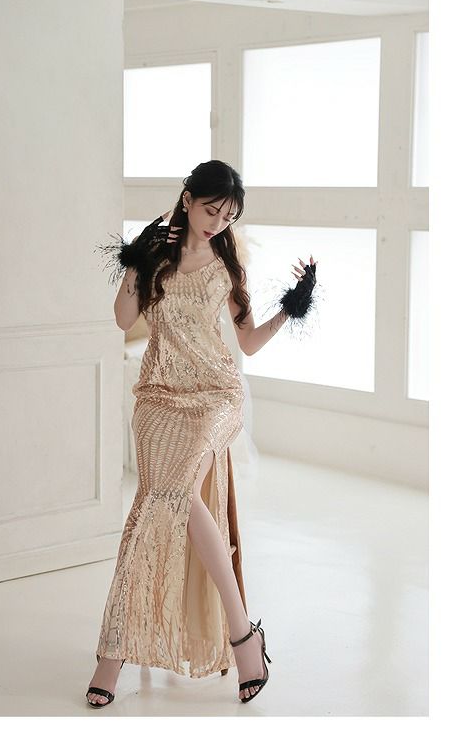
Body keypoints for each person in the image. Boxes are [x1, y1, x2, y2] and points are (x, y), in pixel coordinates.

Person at [87, 160, 318, 707]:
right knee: (161, 503)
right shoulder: (157, 253)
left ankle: (117, 655)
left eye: (229, 215)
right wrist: (137, 260)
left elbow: (248, 343)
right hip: (158, 398)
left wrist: (294, 304)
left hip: (215, 396)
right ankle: (243, 639)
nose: (218, 223)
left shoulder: (227, 264)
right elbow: (122, 317)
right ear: (188, 198)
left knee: (169, 497)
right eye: (212, 210)